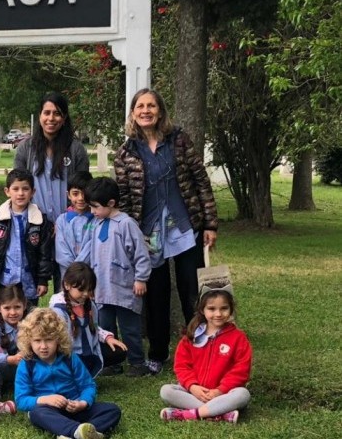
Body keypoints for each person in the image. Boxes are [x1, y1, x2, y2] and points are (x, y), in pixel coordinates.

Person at [113, 88, 218, 374]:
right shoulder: (125, 153)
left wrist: (209, 223)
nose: (146, 111)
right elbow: (122, 196)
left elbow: (200, 180)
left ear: (160, 111)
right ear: (133, 113)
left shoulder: (179, 140)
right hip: (147, 234)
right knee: (156, 295)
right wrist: (126, 234)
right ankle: (158, 353)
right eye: (140, 107)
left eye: (151, 106)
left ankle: (200, 347)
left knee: (191, 291)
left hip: (185, 227)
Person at [15, 308, 121, 439]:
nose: (43, 346)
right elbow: (21, 400)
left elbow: (88, 385)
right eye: (37, 340)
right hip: (48, 410)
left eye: (49, 340)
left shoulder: (69, 358)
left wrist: (83, 403)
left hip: (74, 407)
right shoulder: (26, 364)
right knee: (36, 413)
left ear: (58, 339)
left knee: (112, 410)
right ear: (29, 341)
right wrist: (44, 400)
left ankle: (80, 432)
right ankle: (76, 431)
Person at [84, 177, 152, 377]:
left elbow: (141, 253)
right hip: (102, 289)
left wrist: (140, 278)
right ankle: (112, 362)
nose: (92, 211)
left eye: (95, 207)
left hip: (124, 287)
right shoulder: (96, 224)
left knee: (129, 327)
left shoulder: (126, 224)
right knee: (105, 328)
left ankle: (137, 362)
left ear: (111, 203)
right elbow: (91, 253)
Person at [159, 284, 251, 424]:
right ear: (202, 310)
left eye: (224, 308)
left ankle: (189, 414)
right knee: (166, 391)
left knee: (243, 395)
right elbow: (181, 366)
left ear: (231, 309)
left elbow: (241, 369)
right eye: (212, 309)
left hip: (224, 393)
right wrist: (192, 386)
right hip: (195, 393)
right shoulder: (191, 336)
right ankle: (220, 413)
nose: (218, 314)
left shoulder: (238, 337)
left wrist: (220, 390)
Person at [13, 92, 90, 225]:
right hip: (34, 225)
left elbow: (83, 189)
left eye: (57, 113)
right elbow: (18, 187)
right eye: (46, 113)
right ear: (40, 116)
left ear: (64, 117)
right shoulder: (25, 149)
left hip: (69, 224)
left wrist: (65, 221)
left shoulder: (76, 149)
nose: (51, 118)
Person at [0, 169, 53, 307]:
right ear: (7, 191)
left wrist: (42, 279)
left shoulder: (39, 220)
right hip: (5, 279)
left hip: (29, 280)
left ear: (33, 192)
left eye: (25, 189)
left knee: (30, 319)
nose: (20, 193)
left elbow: (45, 253)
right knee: (6, 315)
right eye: (15, 189)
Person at [48, 262, 127, 377]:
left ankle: (86, 370)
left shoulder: (89, 305)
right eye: (81, 290)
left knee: (119, 351)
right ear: (66, 285)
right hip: (69, 355)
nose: (86, 294)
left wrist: (107, 337)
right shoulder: (58, 310)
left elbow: (93, 327)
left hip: (89, 351)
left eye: (89, 289)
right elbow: (58, 342)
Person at [54, 171, 95, 292]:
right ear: (68, 195)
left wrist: (80, 269)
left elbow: (92, 247)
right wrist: (74, 270)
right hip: (67, 274)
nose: (81, 198)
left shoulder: (96, 220)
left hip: (91, 273)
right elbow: (61, 249)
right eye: (75, 194)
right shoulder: (62, 220)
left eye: (84, 193)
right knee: (68, 305)